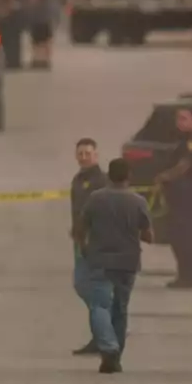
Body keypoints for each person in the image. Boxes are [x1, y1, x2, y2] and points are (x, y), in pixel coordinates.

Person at [75, 158, 153, 374]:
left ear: (109, 175)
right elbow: (148, 235)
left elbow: (80, 229)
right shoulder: (138, 201)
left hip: (100, 261)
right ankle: (115, 356)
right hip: (127, 263)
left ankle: (108, 348)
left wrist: (84, 248)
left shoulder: (95, 198)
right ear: (129, 176)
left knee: (100, 306)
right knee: (121, 308)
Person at [154, 108, 192, 289]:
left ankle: (187, 276)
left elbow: (184, 165)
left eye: (185, 118)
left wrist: (165, 176)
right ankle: (183, 275)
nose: (180, 122)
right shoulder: (182, 140)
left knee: (184, 237)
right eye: (178, 119)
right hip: (177, 196)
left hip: (188, 197)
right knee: (177, 237)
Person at [69, 138, 109, 356]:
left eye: (87, 153)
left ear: (96, 155)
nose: (83, 157)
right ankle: (101, 333)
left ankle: (106, 331)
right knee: (82, 285)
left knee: (91, 287)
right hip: (80, 240)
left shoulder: (101, 181)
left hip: (94, 242)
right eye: (80, 153)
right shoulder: (78, 179)